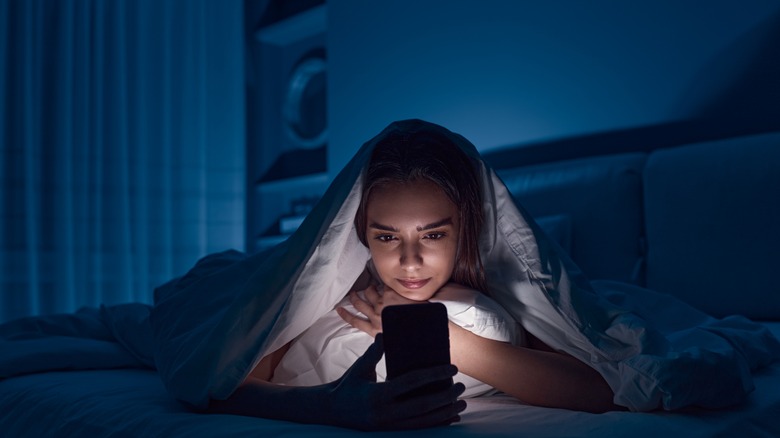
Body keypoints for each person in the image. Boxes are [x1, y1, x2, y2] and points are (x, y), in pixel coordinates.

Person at [207, 120, 620, 430]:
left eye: (433, 235)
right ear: (362, 232)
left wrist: (429, 331)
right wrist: (331, 405)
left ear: (467, 228)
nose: (409, 262)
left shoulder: (505, 283)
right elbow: (221, 386)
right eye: (386, 236)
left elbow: (597, 391)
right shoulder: (334, 280)